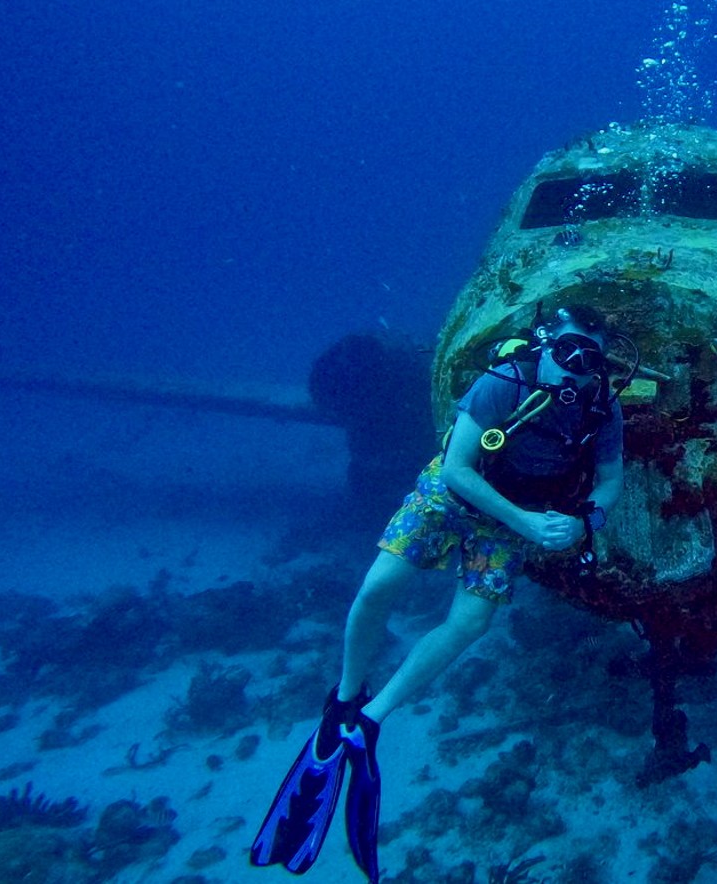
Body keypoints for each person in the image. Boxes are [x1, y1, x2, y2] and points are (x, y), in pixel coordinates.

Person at [250, 304, 625, 882]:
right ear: (547, 346)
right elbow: (455, 470)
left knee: (471, 622)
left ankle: (370, 720)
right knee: (381, 585)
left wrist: (587, 522)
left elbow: (610, 480)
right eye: (568, 351)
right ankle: (344, 700)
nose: (575, 369)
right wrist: (530, 526)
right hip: (456, 497)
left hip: (509, 519)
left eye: (590, 360)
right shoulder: (504, 382)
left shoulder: (602, 409)